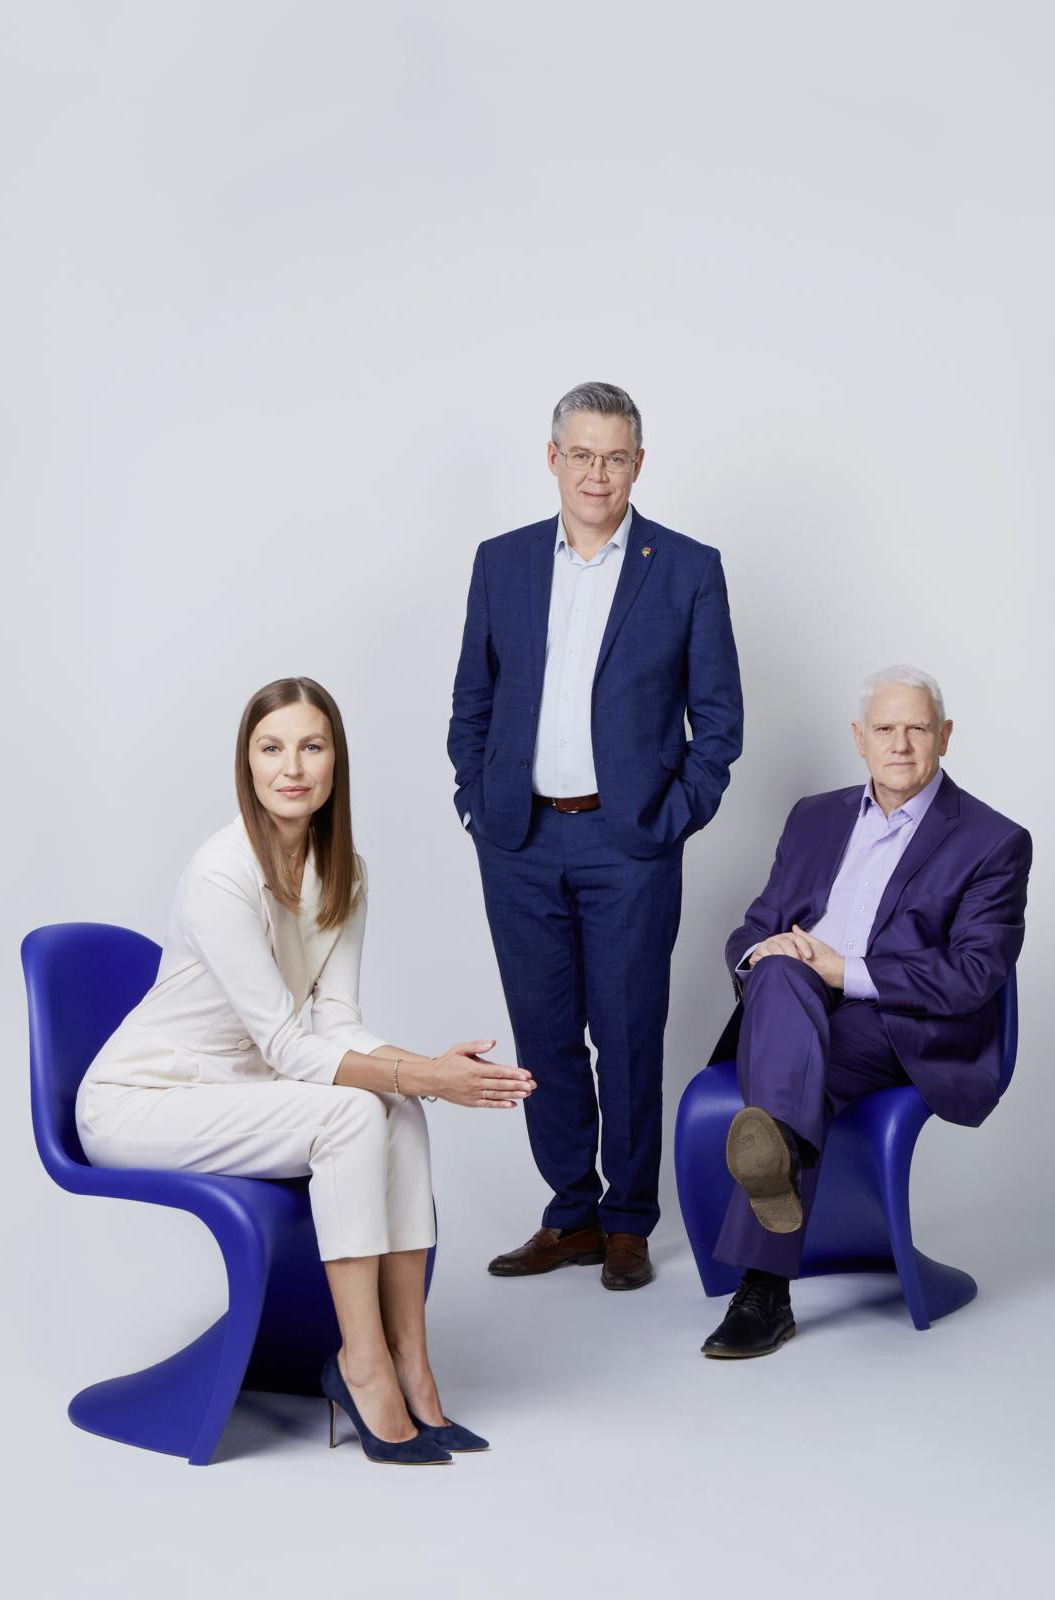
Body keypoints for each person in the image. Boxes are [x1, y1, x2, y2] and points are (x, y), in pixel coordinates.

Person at [76, 676, 534, 1464]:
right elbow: (289, 1048)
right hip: (141, 1101)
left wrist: (427, 1073)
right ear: (247, 763)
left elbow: (338, 1027)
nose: (291, 767)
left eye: (311, 746)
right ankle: (361, 1365)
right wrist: (428, 1075)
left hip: (237, 1094)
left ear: (335, 762)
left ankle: (412, 1364)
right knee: (354, 1110)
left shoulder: (343, 870)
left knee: (397, 1109)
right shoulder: (221, 873)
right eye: (271, 748)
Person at [448, 381, 743, 1290]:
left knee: (627, 1034)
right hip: (520, 840)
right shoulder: (501, 562)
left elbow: (719, 723)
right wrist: (477, 803)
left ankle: (627, 1222)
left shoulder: (686, 568)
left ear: (638, 464)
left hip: (629, 845)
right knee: (543, 1038)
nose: (597, 474)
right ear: (553, 458)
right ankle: (571, 1212)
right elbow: (472, 701)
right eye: (581, 454)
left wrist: (667, 819)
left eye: (615, 457)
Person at [701, 665, 1031, 1358]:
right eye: (885, 728)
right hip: (789, 1002)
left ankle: (764, 1286)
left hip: (896, 1024)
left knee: (800, 1072)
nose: (900, 744)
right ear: (859, 738)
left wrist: (844, 970)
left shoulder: (993, 841)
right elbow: (755, 923)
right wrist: (765, 950)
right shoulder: (814, 816)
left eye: (917, 728)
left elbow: (974, 975)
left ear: (945, 736)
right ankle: (782, 1152)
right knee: (779, 971)